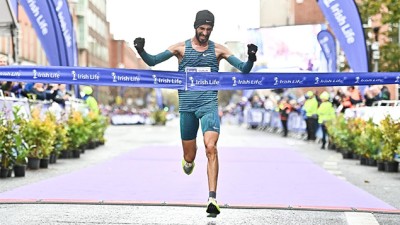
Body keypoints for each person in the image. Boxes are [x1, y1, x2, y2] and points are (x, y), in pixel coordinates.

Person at [134, 9, 257, 215]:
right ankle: (188, 161)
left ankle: (212, 198)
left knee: (211, 147)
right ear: (195, 27)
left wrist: (251, 58)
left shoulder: (219, 50)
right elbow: (153, 61)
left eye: (209, 29)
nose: (205, 33)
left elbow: (243, 69)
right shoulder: (181, 48)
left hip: (208, 105)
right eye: (202, 28)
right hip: (187, 108)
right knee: (189, 156)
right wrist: (141, 50)